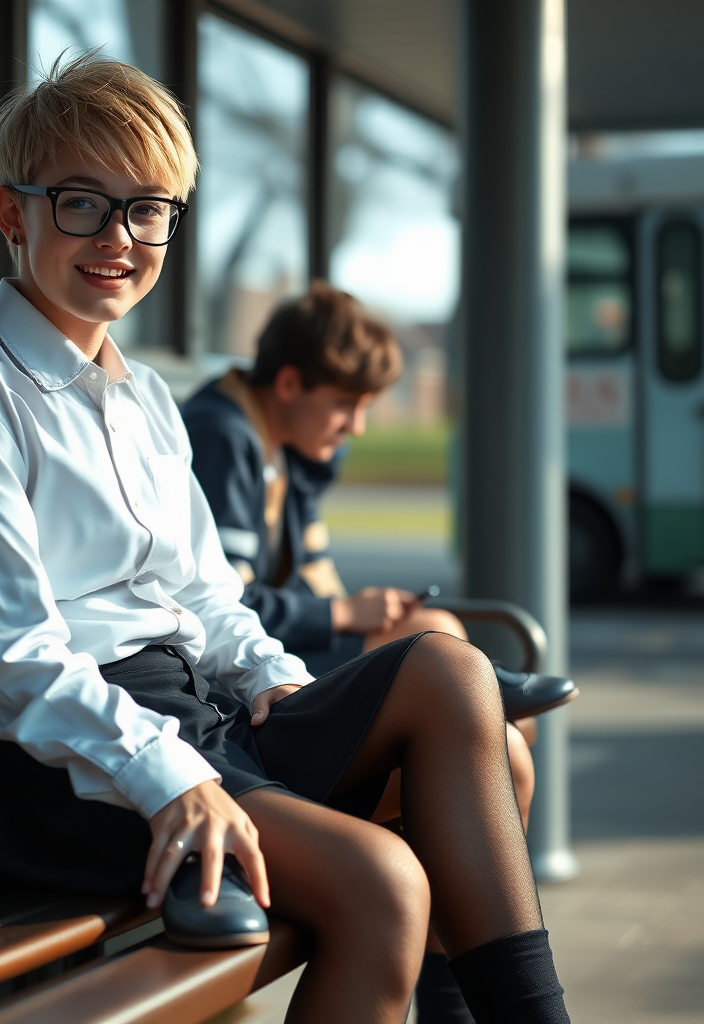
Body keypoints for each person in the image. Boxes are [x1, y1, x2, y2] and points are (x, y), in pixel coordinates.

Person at [0, 53, 570, 1024]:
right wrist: (173, 778)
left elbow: (205, 596)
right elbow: (18, 666)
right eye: (82, 203)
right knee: (386, 883)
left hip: (195, 719)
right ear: (10, 215)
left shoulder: (143, 397)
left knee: (450, 673)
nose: (119, 236)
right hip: (47, 773)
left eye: (148, 208)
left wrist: (274, 678)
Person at [183, 283, 575, 1021]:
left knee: (481, 713)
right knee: (452, 675)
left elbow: (301, 576)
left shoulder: (285, 449)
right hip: (234, 703)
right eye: (346, 405)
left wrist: (362, 609)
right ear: (290, 384)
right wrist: (343, 613)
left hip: (266, 675)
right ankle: (478, 692)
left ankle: (476, 697)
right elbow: (221, 605)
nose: (357, 425)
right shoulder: (223, 435)